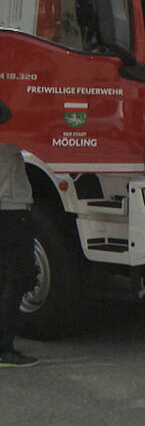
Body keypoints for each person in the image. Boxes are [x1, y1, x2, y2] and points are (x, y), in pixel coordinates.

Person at [0, 141, 40, 367]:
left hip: (9, 209)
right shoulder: (7, 138)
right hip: (11, 210)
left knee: (7, 277)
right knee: (19, 276)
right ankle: (5, 348)